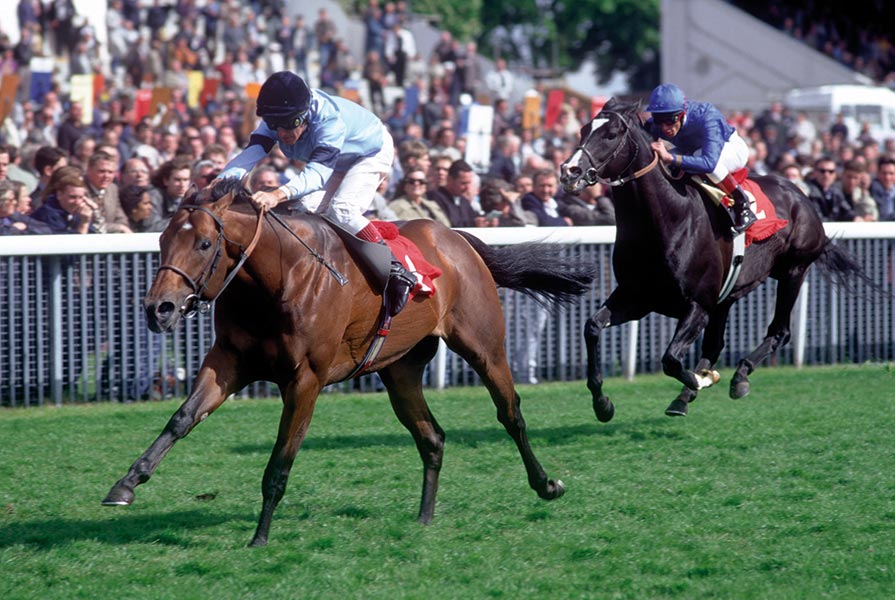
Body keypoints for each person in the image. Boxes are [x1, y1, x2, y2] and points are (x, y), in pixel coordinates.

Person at [217, 71, 416, 317]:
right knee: (302, 211)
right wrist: (217, 186)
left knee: (342, 210)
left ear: (305, 113)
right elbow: (250, 155)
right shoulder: (278, 116)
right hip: (337, 160)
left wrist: (277, 194)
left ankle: (396, 271)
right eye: (275, 126)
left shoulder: (328, 121)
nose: (282, 133)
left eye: (291, 124)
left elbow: (317, 175)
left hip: (369, 153)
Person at [646, 83, 757, 233]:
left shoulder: (707, 116)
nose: (664, 127)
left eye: (670, 120)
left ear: (681, 114)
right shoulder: (656, 124)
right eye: (658, 119)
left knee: (696, 158)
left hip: (730, 148)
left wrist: (670, 158)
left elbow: (709, 163)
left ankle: (742, 205)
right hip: (694, 151)